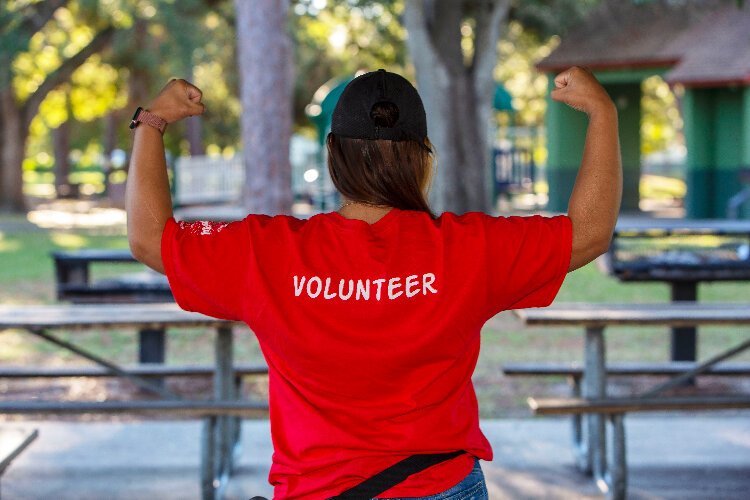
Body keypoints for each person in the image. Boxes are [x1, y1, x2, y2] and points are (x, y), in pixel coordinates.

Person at [126, 66, 621, 499]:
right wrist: (603, 115)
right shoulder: (470, 249)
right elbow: (589, 233)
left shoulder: (267, 251)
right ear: (422, 158)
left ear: (333, 155)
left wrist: (153, 122)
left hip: (318, 491)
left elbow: (151, 239)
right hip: (441, 485)